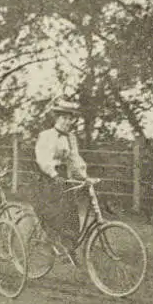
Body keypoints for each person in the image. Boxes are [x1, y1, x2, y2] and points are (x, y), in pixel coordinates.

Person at [32, 99, 91, 254]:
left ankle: (68, 248)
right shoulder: (46, 135)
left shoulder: (70, 137)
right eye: (64, 118)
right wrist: (53, 174)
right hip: (47, 176)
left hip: (63, 176)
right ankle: (49, 241)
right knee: (55, 210)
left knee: (71, 209)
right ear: (56, 118)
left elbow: (74, 159)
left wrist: (84, 177)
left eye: (70, 118)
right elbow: (43, 159)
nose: (67, 121)